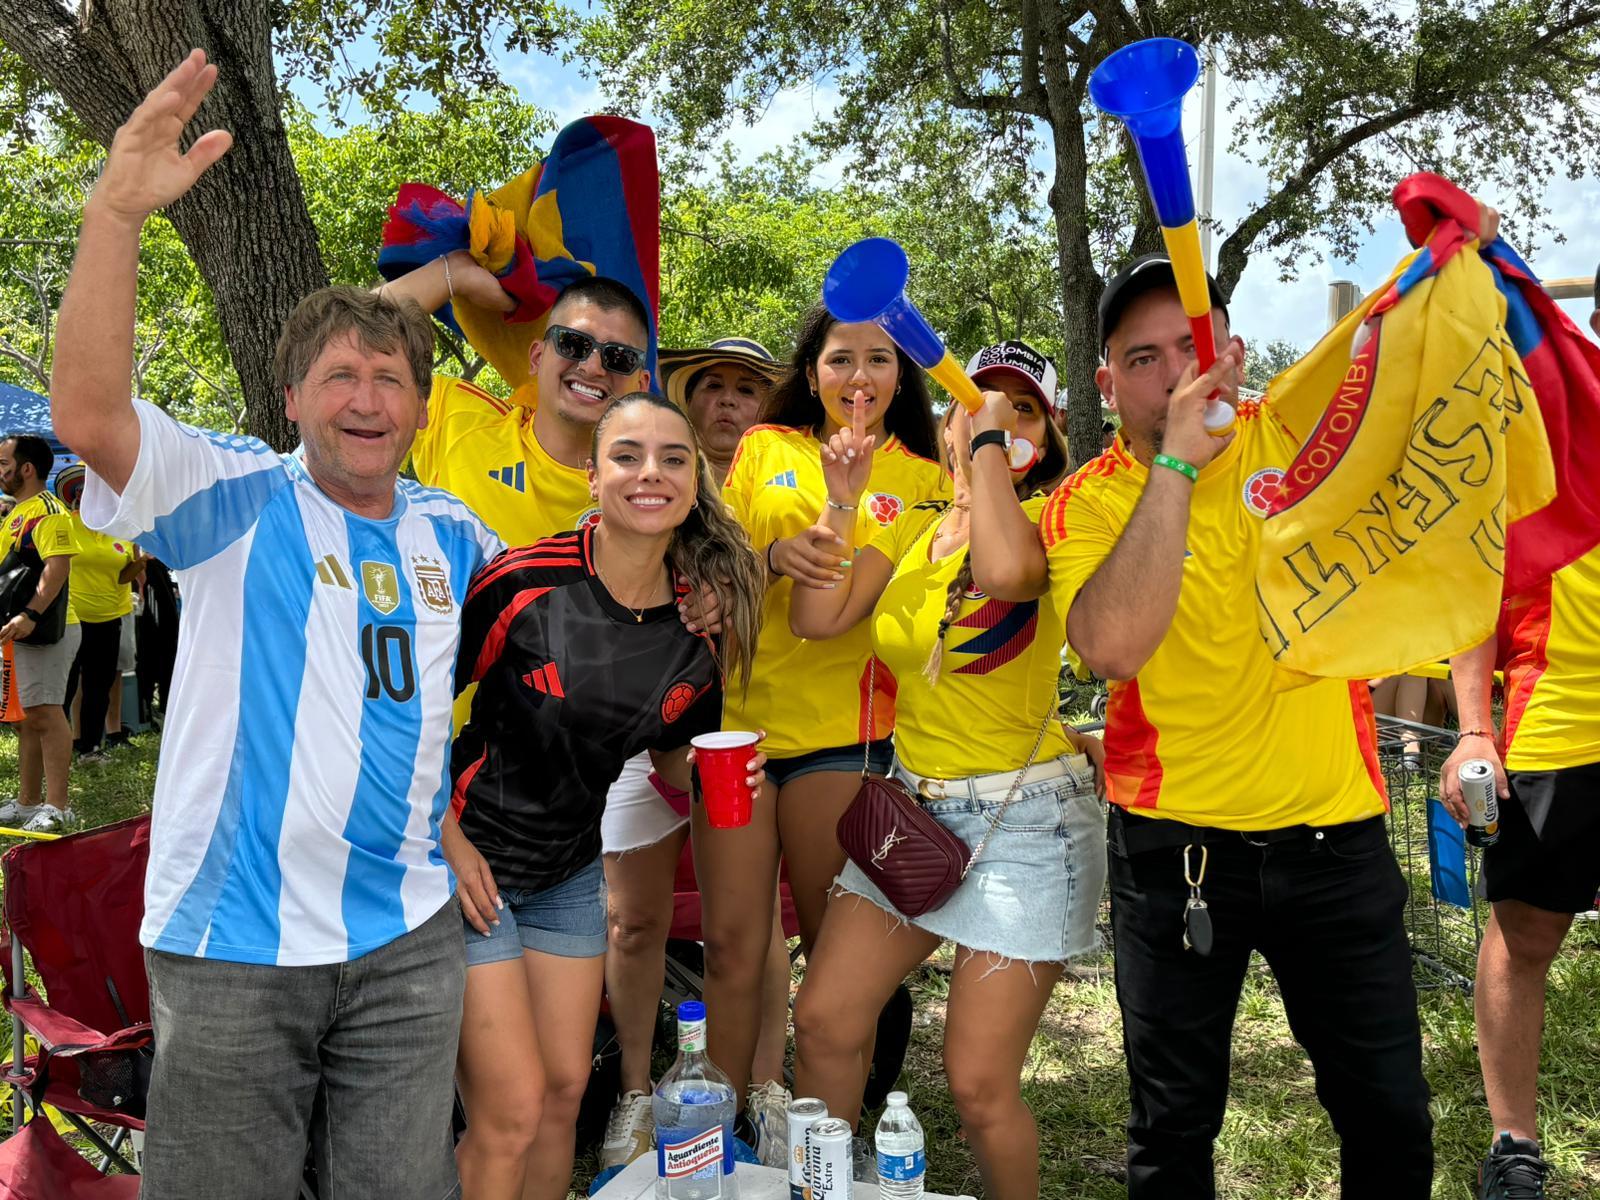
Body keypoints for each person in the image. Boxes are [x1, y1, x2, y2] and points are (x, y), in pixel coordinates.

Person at [48, 53, 503, 1199]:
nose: (366, 398)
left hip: (406, 941)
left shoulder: (455, 534)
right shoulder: (237, 500)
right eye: (339, 376)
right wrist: (117, 212)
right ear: (291, 398)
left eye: (390, 378)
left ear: (421, 404)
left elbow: (554, 639)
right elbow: (90, 415)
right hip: (235, 946)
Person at [1015, 250, 1451, 1198]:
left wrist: (1448, 262)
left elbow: (1405, 366)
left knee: (1386, 1109)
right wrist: (1174, 461)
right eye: (1143, 358)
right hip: (1178, 856)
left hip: (1337, 838)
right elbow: (1112, 647)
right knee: (1173, 1128)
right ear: (1104, 381)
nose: (1176, 375)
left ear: (1235, 352)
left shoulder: (1297, 434)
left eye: (1194, 346)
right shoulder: (1083, 502)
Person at [790, 351, 1100, 1200]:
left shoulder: (1061, 521)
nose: (997, 420)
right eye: (978, 405)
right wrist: (846, 500)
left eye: (1023, 412)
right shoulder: (915, 529)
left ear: (1047, 438)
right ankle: (829, 1185)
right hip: (915, 819)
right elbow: (817, 619)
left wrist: (988, 453)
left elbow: (1007, 577)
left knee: (978, 1085)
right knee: (822, 1022)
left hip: (1027, 825)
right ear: (950, 429)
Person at [444, 391, 767, 1200]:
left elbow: (668, 763)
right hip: (466, 868)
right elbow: (406, 714)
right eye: (627, 455)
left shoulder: (697, 632)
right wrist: (440, 839)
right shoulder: (522, 584)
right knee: (509, 1107)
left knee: (561, 1096)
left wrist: (716, 775)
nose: (649, 473)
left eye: (672, 458)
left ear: (696, 482)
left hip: (568, 877)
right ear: (592, 476)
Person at [699, 304, 948, 1155]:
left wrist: (841, 518)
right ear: (811, 374)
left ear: (900, 376)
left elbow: (832, 620)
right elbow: (718, 565)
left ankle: (829, 1143)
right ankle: (726, 1137)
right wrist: (771, 560)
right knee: (732, 950)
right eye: (841, 360)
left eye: (880, 360)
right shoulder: (765, 449)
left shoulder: (920, 476)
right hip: (736, 736)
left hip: (845, 737)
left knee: (835, 962)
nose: (859, 378)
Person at [597, 335, 790, 1171]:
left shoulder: (782, 490)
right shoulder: (631, 494)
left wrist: (757, 568)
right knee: (632, 921)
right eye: (711, 385)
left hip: (726, 746)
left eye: (748, 389)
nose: (729, 402)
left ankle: (765, 1089)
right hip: (633, 750)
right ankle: (639, 1091)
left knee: (753, 931)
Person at [1441, 509, 1600, 1187]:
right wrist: (1474, 728)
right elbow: (1476, 591)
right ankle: (1514, 1148)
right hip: (1560, 723)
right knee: (1525, 936)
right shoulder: (1544, 447)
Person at [0, 433, 81, 833]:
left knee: (46, 713)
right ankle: (28, 800)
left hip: (47, 627)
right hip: (18, 633)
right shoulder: (18, 511)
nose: (0, 471)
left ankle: (58, 806)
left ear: (26, 468)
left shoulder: (48, 510)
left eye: (4, 463)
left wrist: (31, 613)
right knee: (26, 719)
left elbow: (58, 566)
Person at [54, 463, 144, 758]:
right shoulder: (65, 525)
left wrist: (140, 562)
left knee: (99, 686)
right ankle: (60, 745)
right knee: (66, 687)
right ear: (76, 497)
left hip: (110, 617)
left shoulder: (122, 529)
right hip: (73, 618)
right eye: (84, 493)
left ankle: (90, 748)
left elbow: (123, 576)